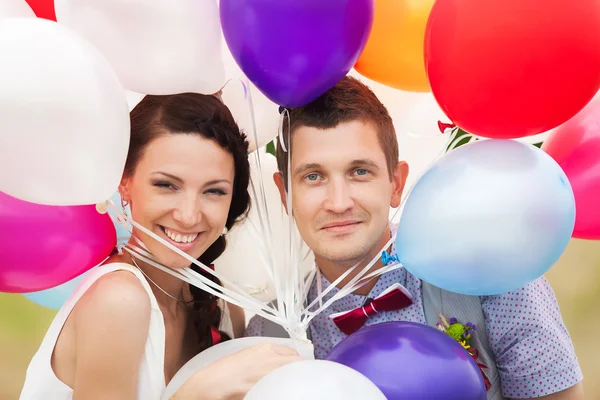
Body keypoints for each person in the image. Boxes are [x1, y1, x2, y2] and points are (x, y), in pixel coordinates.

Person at [245, 77, 584, 399]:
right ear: (285, 193)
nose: (338, 202)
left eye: (359, 172)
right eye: (314, 176)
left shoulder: (487, 277)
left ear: (395, 184)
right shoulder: (267, 337)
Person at [20, 93, 301, 400]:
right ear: (124, 180)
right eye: (166, 185)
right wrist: (197, 393)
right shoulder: (119, 301)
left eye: (214, 191)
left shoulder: (222, 307)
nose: (189, 215)